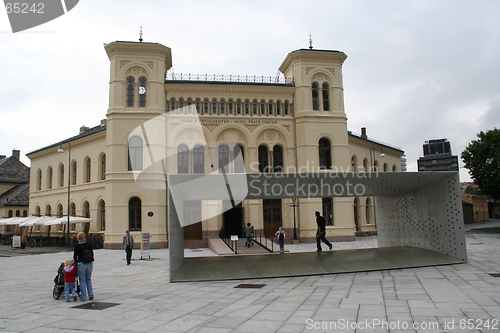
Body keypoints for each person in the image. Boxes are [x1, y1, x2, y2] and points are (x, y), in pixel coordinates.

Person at [73, 232, 94, 301]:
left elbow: (75, 256)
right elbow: (92, 253)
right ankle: (91, 294)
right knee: (88, 279)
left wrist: (75, 262)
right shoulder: (89, 244)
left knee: (82, 280)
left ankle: (83, 296)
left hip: (81, 263)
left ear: (78, 238)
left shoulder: (77, 246)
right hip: (90, 263)